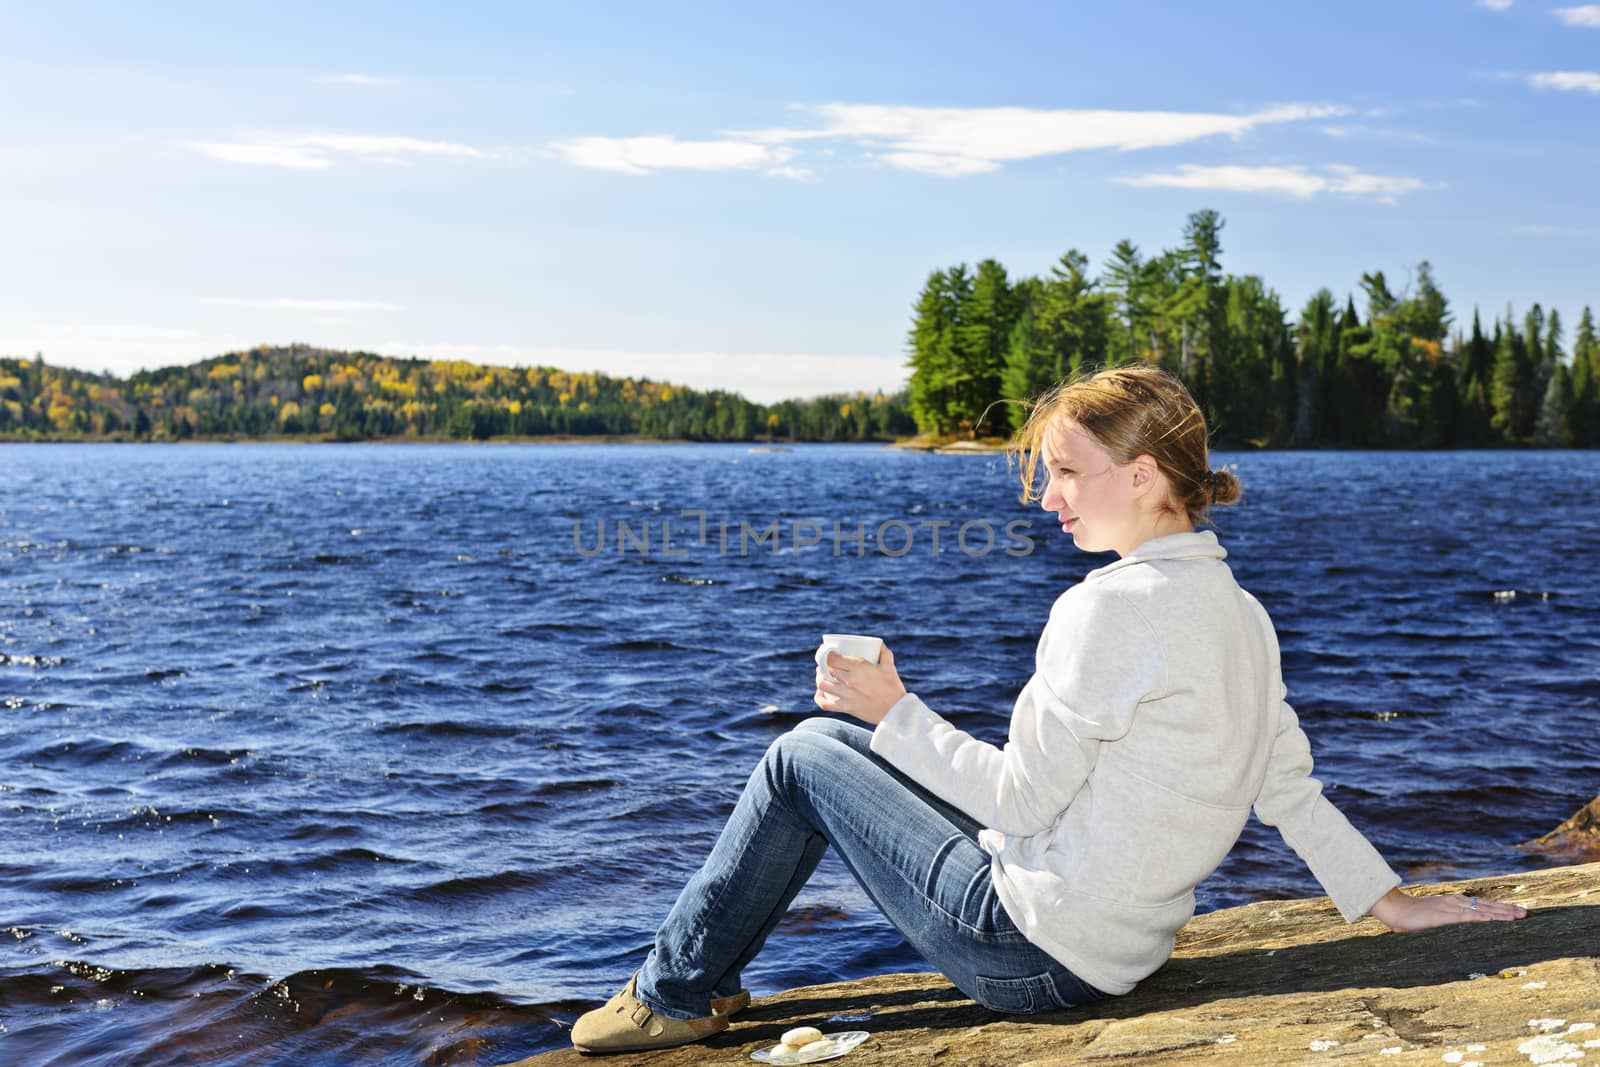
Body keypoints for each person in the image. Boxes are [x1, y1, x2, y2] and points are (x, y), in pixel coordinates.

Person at [569, 364, 1527, 1054]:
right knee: (839, 748)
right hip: (1123, 946)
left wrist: (895, 708)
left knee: (806, 754)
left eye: (1067, 472)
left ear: (1144, 475)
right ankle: (697, 981)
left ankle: (675, 992)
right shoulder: (1240, 611)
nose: (1047, 500)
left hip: (1029, 951)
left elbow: (1021, 804)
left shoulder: (1105, 609)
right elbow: (1286, 784)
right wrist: (1387, 899)